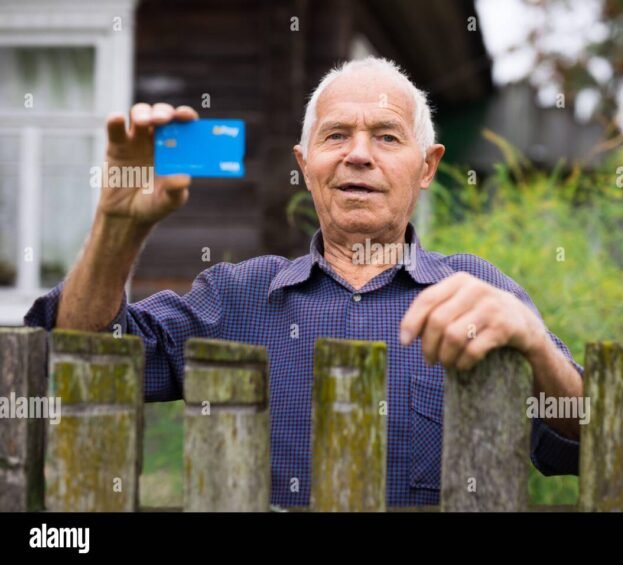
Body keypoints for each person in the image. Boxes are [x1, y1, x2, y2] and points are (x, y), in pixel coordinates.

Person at [25, 56, 584, 508]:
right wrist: (116, 228)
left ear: (428, 167)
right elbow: (87, 357)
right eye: (336, 135)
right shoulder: (237, 298)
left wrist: (534, 345)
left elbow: (586, 444)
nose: (358, 155)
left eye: (387, 138)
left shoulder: (479, 292)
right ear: (305, 162)